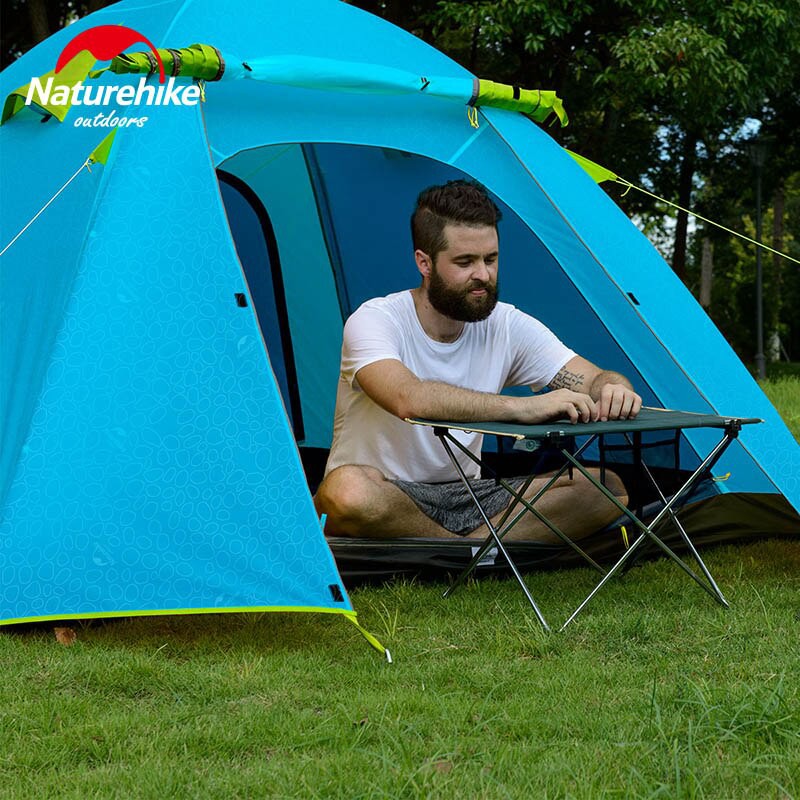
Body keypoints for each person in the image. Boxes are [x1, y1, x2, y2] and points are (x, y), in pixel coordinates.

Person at [314, 180, 642, 541]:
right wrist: (522, 408)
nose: (483, 275)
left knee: (607, 487)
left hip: (470, 496)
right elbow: (408, 398)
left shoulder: (506, 324)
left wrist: (614, 388)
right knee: (346, 493)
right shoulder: (375, 319)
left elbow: (592, 378)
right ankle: (486, 546)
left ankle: (466, 549)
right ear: (424, 263)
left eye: (491, 259)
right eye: (465, 262)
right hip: (387, 493)